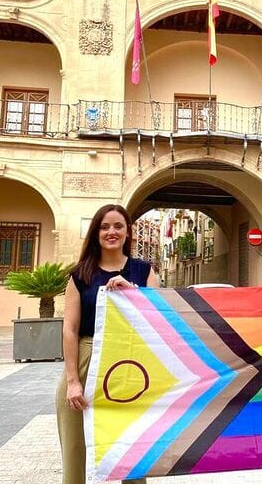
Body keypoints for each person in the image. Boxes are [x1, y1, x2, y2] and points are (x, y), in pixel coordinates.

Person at [56, 203, 159, 484]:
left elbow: (159, 322)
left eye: (118, 226)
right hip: (86, 357)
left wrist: (134, 293)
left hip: (128, 363)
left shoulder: (144, 271)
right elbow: (70, 329)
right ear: (95, 233)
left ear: (128, 232)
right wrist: (73, 380)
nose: (111, 232)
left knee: (131, 449)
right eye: (104, 227)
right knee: (75, 446)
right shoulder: (80, 275)